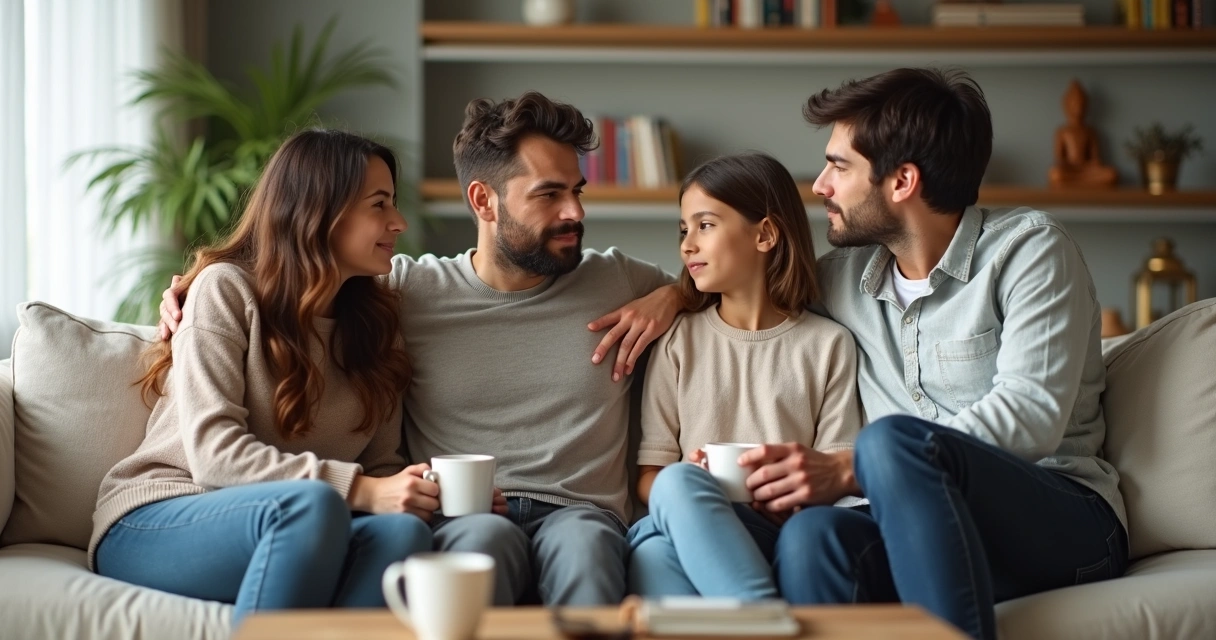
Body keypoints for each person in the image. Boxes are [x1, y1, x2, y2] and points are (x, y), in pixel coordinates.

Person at [159, 92, 686, 607]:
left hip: (582, 512)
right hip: (465, 513)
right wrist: (192, 288)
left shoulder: (618, 278)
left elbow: (730, 281)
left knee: (587, 551)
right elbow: (289, 280)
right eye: (549, 194)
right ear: (484, 200)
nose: (574, 211)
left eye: (578, 190)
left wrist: (674, 296)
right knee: (478, 551)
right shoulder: (401, 293)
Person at [737, 68, 1127, 639]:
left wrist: (850, 468)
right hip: (921, 526)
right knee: (811, 537)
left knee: (891, 443)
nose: (819, 185)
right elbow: (736, 288)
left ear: (902, 182)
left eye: (839, 166)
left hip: (1061, 518)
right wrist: (667, 299)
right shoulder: (841, 280)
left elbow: (1032, 416)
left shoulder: (1030, 251)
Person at [90, 130, 443, 626]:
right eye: (379, 205)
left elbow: (383, 464)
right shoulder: (226, 291)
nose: (398, 222)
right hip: (160, 517)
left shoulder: (377, 324)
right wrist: (361, 492)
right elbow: (214, 455)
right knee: (313, 507)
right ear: (319, 212)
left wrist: (422, 490)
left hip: (301, 524)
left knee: (404, 535)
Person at [625, 153, 863, 600]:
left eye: (706, 225)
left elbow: (833, 471)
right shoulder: (678, 342)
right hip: (688, 524)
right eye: (683, 230)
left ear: (765, 234)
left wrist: (788, 493)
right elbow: (650, 477)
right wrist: (694, 482)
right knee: (667, 508)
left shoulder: (828, 345)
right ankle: (762, 616)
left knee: (655, 550)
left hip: (775, 532)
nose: (687, 245)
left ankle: (756, 616)